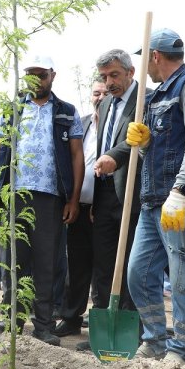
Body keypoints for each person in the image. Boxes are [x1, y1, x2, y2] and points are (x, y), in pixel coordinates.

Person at [125, 28, 185, 365]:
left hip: (184, 202)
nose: (145, 65)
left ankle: (181, 349)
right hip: (154, 201)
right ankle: (155, 340)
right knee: (139, 272)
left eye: (144, 57)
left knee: (184, 279)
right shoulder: (156, 95)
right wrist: (145, 143)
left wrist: (181, 189)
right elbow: (165, 148)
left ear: (155, 56)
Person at [0, 56, 84, 347]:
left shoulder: (67, 112)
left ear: (53, 75)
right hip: (14, 196)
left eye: (41, 74)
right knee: (14, 259)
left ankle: (43, 324)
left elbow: (77, 155)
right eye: (30, 74)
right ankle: (12, 318)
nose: (35, 80)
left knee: (46, 262)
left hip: (51, 198)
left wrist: (74, 198)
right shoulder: (12, 110)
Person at [76, 49, 146, 352]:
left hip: (132, 193)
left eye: (114, 75)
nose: (109, 82)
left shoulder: (146, 100)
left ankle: (134, 329)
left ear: (130, 72)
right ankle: (103, 327)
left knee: (132, 264)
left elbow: (132, 143)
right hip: (103, 195)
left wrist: (112, 159)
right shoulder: (104, 104)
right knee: (103, 264)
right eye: (104, 76)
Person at [54, 78, 107, 337]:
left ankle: (100, 322)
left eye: (105, 92)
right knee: (76, 266)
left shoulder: (118, 125)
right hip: (78, 206)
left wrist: (102, 201)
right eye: (96, 92)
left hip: (104, 210)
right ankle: (71, 318)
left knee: (102, 269)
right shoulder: (82, 122)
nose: (100, 96)